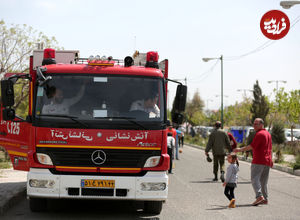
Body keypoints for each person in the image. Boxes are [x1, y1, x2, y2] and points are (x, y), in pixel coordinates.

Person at [234, 118, 273, 206]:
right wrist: (271, 159)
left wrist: (240, 149)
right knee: (263, 181)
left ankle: (259, 196)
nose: (254, 126)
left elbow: (252, 146)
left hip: (259, 160)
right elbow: (270, 148)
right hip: (267, 161)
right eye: (254, 124)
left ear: (262, 125)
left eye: (256, 124)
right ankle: (265, 199)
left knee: (254, 179)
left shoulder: (259, 134)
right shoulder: (267, 134)